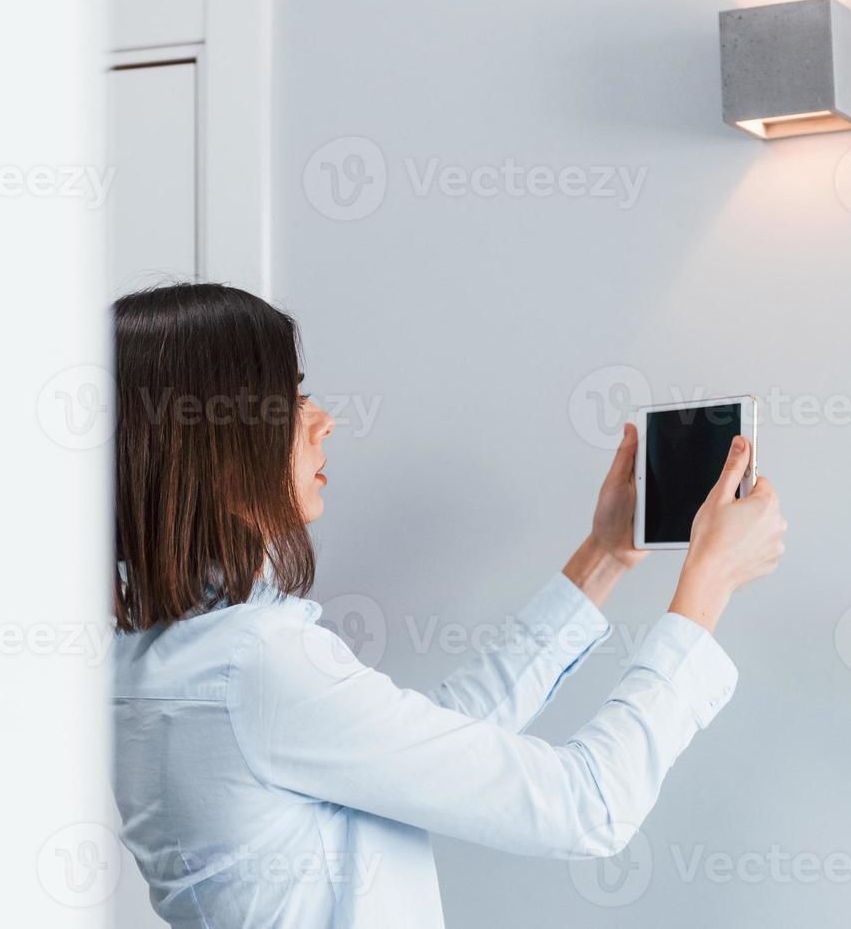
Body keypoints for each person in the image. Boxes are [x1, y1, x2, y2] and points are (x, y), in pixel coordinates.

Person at [110, 284, 787, 928]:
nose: (324, 421)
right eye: (290, 402)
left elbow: (440, 737)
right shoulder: (255, 668)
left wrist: (605, 555)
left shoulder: (167, 655)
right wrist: (708, 584)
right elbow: (588, 805)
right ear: (216, 444)